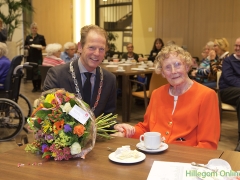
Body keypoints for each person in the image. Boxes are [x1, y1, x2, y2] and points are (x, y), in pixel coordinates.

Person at [114, 45, 220, 150]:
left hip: (188, 160)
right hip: (155, 155)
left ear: (187, 66)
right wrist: (128, 131)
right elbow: (146, 129)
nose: (173, 71)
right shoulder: (157, 94)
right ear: (163, 73)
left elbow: (208, 144)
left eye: (178, 65)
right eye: (167, 67)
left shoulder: (206, 95)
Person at [43, 25, 118, 122]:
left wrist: (117, 126)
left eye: (101, 49)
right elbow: (48, 114)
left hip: (98, 136)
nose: (96, 53)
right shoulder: (57, 75)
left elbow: (109, 117)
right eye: (91, 47)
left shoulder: (109, 79)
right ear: (80, 47)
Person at [219, 37, 240, 151]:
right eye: (236, 45)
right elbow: (229, 79)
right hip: (227, 91)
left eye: (239, 46)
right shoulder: (228, 60)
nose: (237, 48)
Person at [24, 22, 46, 92]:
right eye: (33, 28)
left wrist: (41, 48)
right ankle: (34, 87)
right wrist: (27, 46)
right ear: (31, 29)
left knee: (38, 72)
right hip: (30, 57)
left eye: (35, 28)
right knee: (32, 72)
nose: (34, 29)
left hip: (38, 57)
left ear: (37, 29)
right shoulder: (28, 37)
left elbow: (44, 46)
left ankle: (39, 87)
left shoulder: (41, 37)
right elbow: (25, 45)